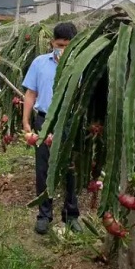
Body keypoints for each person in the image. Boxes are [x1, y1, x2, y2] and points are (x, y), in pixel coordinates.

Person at [22, 22, 82, 235]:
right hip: (44, 121)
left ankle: (71, 214)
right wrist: (26, 121)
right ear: (51, 43)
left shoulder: (82, 64)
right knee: (43, 168)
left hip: (71, 122)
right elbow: (30, 93)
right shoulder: (39, 63)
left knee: (71, 169)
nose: (63, 49)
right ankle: (44, 215)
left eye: (68, 45)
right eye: (59, 44)